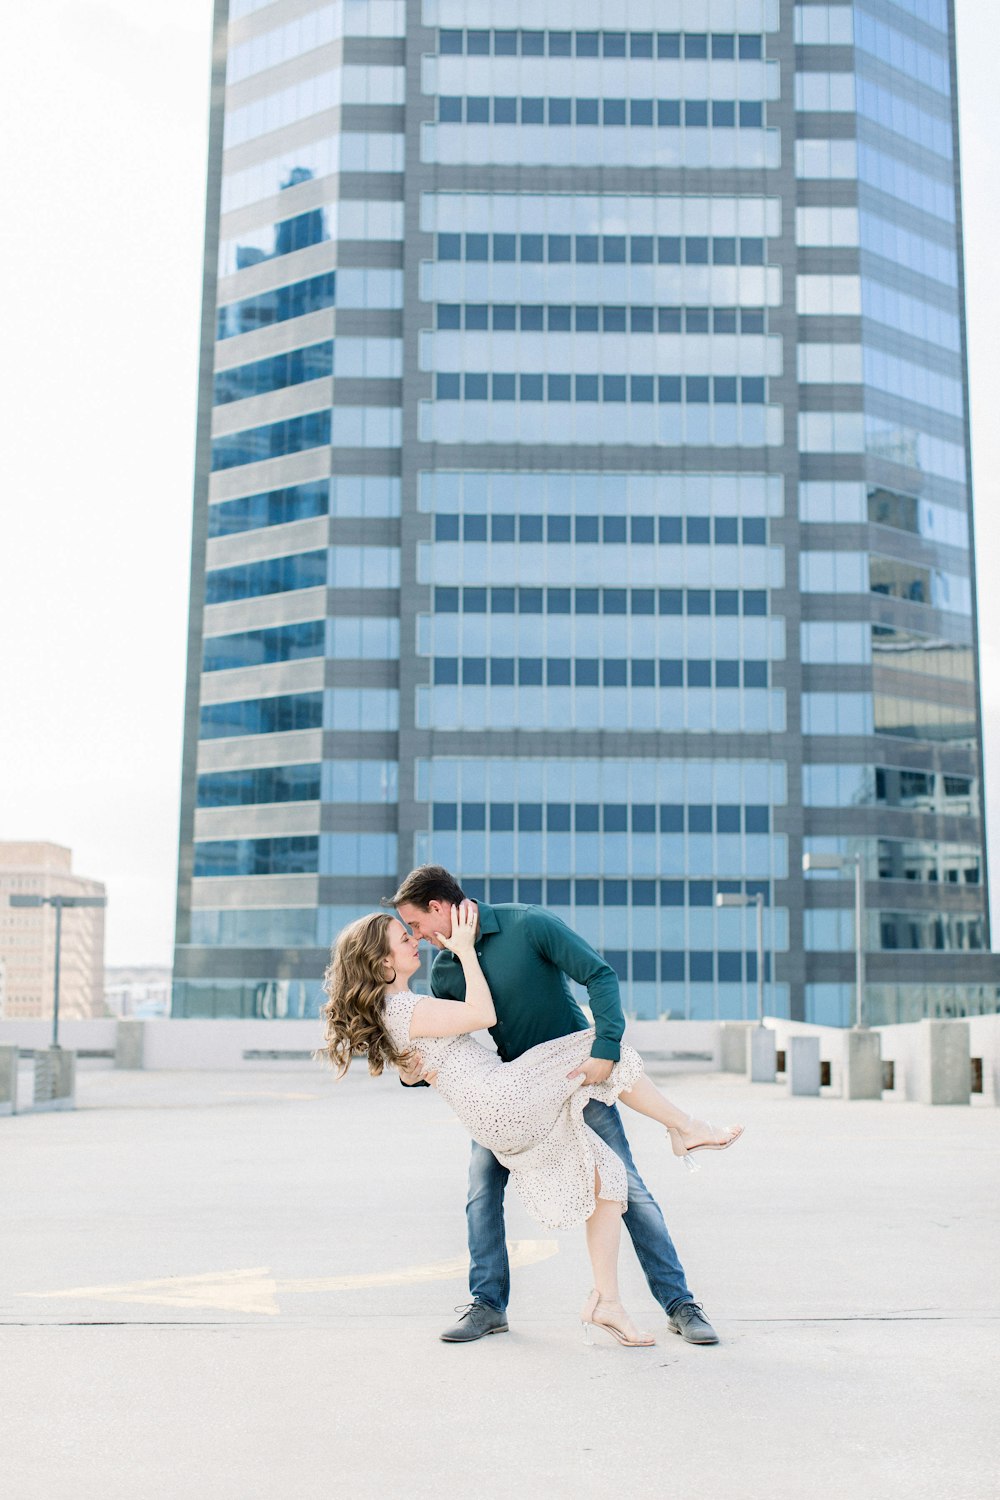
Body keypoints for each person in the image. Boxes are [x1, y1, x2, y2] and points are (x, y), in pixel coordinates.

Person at [316, 874, 742, 1348]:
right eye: (406, 934)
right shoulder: (445, 971)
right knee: (482, 1193)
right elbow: (434, 1042)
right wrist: (409, 1071)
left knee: (622, 1183)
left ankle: (675, 1303)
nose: (416, 936)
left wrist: (603, 1052)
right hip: (510, 1090)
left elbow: (599, 975)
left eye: (415, 924)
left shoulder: (527, 924)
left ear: (440, 908)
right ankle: (489, 1304)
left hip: (562, 1080)